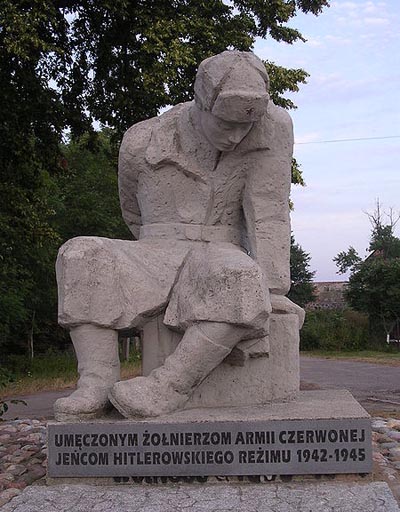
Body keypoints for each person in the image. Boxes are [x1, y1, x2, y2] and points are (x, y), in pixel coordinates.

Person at [54, 51, 303, 421]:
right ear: (200, 103)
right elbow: (131, 211)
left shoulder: (272, 128)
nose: (235, 136)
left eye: (244, 126)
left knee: (238, 276)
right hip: (154, 248)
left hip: (221, 249)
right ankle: (96, 383)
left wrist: (274, 289)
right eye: (225, 124)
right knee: (80, 254)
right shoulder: (143, 139)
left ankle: (168, 386)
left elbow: (268, 211)